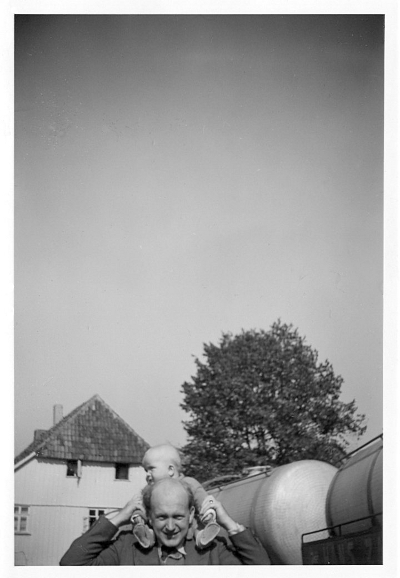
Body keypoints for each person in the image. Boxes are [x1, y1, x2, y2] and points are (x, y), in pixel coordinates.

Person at [60, 478, 271, 565]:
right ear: (149, 517)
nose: (170, 528)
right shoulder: (126, 547)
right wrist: (120, 517)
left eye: (178, 517)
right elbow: (70, 565)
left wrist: (230, 525)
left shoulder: (212, 552)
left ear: (190, 515)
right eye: (161, 517)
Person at [131, 444, 220, 549]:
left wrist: (208, 511)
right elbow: (140, 505)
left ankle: (203, 536)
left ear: (170, 470)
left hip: (189, 527)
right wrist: (138, 516)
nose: (147, 474)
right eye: (146, 470)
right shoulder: (149, 490)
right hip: (162, 532)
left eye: (151, 469)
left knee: (198, 527)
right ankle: (147, 536)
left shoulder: (188, 483)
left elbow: (201, 498)